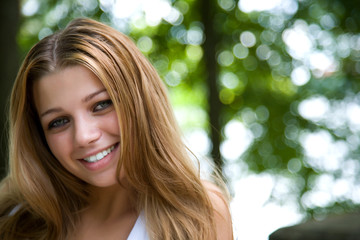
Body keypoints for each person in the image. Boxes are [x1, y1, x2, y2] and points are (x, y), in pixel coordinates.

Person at [0, 18, 233, 240]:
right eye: (59, 122)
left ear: (139, 102)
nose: (84, 136)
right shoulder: (14, 221)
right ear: (39, 136)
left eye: (101, 105)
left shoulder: (195, 214)